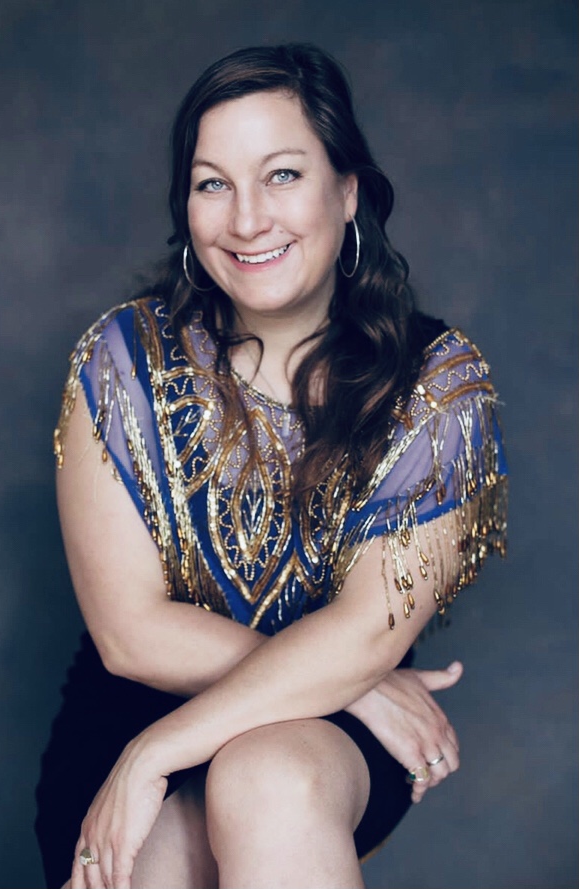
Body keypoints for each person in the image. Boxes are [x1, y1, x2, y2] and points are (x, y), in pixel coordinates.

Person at [35, 43, 508, 889]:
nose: (246, 219)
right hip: (131, 709)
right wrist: (356, 683)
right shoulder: (122, 360)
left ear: (348, 190)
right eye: (213, 182)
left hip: (307, 741)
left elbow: (367, 629)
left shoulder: (436, 384)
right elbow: (128, 632)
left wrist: (151, 758)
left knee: (266, 778)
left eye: (282, 174)